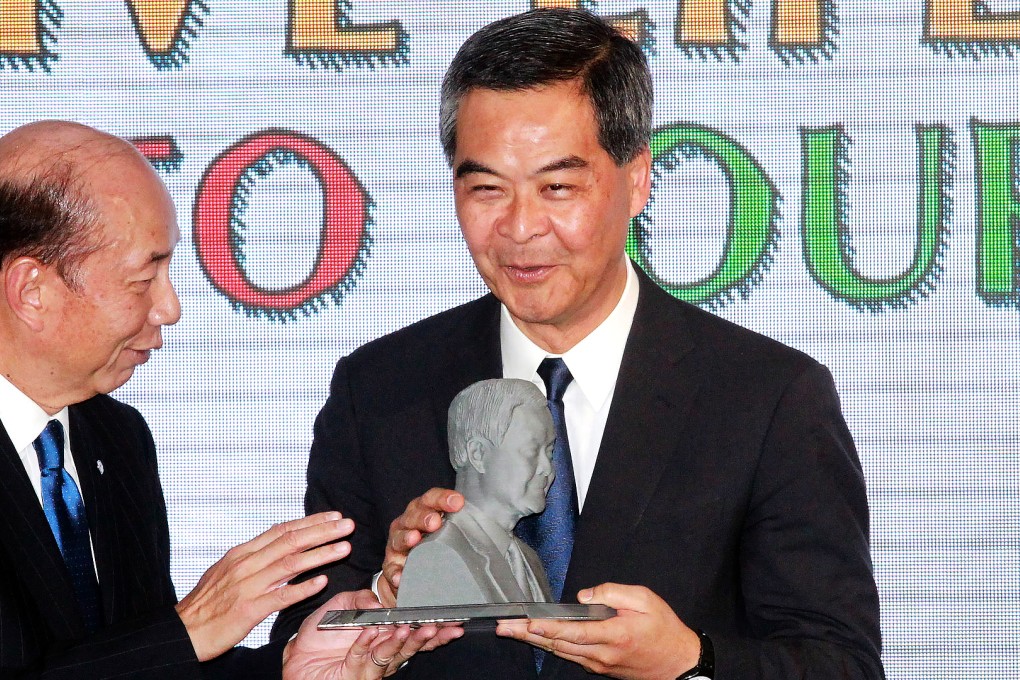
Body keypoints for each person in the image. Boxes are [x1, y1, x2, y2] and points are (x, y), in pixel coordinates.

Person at [273, 8, 884, 679]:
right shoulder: (379, 390)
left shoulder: (766, 397)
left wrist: (691, 659)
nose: (521, 228)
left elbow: (839, 663)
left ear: (638, 179)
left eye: (557, 186)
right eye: (486, 190)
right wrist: (385, 605)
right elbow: (305, 644)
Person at [0, 120, 458, 678]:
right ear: (32, 290)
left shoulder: (115, 438)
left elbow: (144, 666)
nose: (170, 308)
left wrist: (289, 667)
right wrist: (189, 628)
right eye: (144, 280)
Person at [397, 379, 554, 607]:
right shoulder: (437, 557)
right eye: (531, 451)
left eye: (549, 453)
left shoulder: (528, 559)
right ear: (478, 454)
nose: (547, 468)